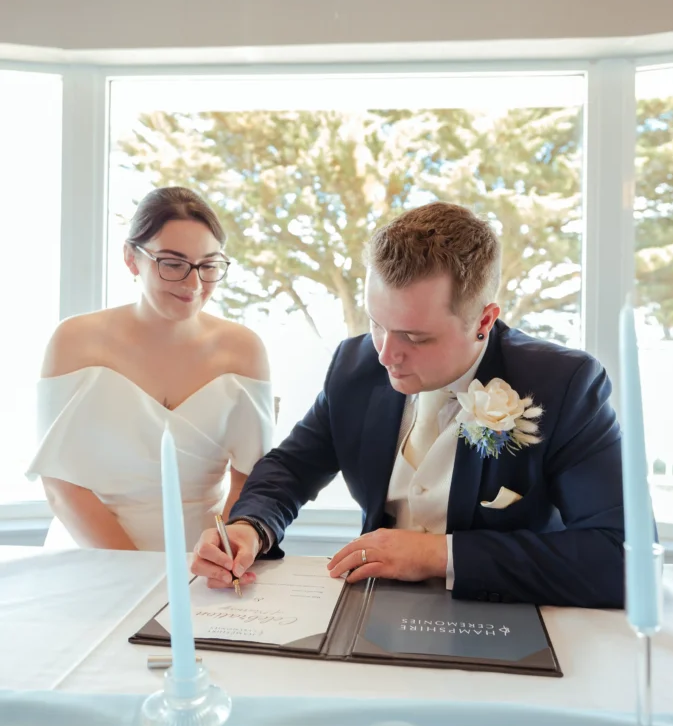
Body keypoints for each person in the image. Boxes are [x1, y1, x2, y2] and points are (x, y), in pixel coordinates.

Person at [191, 201, 625, 608]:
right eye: (377, 324)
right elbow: (292, 467)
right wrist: (250, 527)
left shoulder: (564, 386)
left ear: (484, 320)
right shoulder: (353, 366)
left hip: (508, 619)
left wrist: (441, 555)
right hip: (370, 612)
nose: (385, 354)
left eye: (415, 338)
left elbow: (619, 554)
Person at [27, 186, 273, 554]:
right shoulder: (73, 341)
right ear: (131, 258)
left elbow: (249, 477)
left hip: (203, 559)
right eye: (173, 264)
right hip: (92, 552)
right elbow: (61, 485)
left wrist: (219, 553)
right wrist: (137, 571)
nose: (193, 285)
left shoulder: (244, 349)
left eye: (208, 266)